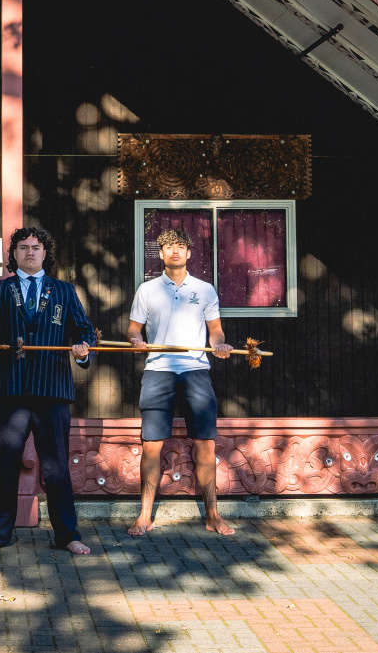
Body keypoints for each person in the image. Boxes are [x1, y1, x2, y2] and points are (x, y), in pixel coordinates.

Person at [0, 225, 97, 555]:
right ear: (14, 254)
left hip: (52, 389)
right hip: (9, 390)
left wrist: (82, 351)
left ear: (45, 253)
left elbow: (84, 331)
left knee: (56, 467)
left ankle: (67, 535)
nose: (29, 252)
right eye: (23, 247)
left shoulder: (64, 290)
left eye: (35, 247)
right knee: (4, 464)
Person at [125, 227, 235, 537]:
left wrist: (220, 345)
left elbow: (215, 331)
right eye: (169, 247)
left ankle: (213, 515)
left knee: (205, 442)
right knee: (151, 444)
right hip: (158, 369)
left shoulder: (205, 289)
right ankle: (144, 515)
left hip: (195, 369)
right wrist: (136, 341)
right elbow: (133, 329)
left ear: (189, 253)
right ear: (160, 254)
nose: (175, 251)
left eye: (180, 247)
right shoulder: (147, 290)